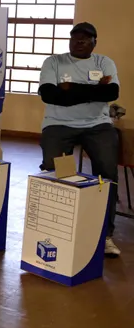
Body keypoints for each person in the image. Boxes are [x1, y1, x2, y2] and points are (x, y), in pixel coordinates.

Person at [38, 22, 121, 257]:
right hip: (58, 124)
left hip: (97, 125)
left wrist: (69, 88)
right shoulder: (53, 62)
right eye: (75, 37)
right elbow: (50, 95)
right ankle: (54, 228)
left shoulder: (104, 62)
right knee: (53, 171)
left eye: (86, 38)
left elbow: (111, 93)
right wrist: (94, 91)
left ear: (95, 42)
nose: (79, 41)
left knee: (107, 174)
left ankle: (104, 235)